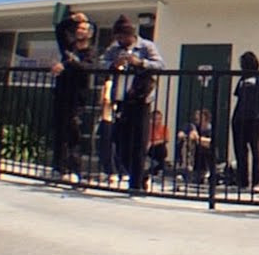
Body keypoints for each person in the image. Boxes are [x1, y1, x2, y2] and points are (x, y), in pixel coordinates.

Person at [100, 17, 165, 190]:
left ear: (131, 35)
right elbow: (101, 63)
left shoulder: (146, 46)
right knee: (119, 141)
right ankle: (142, 173)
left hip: (140, 99)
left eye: (123, 38)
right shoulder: (114, 49)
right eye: (118, 38)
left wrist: (140, 62)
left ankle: (135, 184)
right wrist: (114, 63)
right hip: (121, 99)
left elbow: (160, 64)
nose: (120, 41)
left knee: (138, 143)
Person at [50, 17, 97, 181]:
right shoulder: (69, 46)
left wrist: (66, 65)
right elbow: (59, 30)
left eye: (84, 29)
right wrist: (72, 18)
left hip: (77, 98)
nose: (80, 30)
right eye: (78, 28)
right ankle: (58, 168)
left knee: (73, 134)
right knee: (59, 131)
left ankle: (74, 170)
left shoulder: (90, 52)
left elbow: (87, 67)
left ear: (89, 33)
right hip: (61, 93)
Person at [232, 51, 259, 189]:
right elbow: (238, 96)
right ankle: (242, 181)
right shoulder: (242, 78)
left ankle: (257, 181)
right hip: (239, 118)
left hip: (255, 118)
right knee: (240, 150)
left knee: (256, 150)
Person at [147, 110, 170, 178]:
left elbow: (166, 139)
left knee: (161, 148)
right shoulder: (149, 128)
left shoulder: (164, 128)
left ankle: (158, 168)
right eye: (156, 119)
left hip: (158, 148)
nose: (158, 121)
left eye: (159, 119)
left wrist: (154, 142)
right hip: (151, 149)